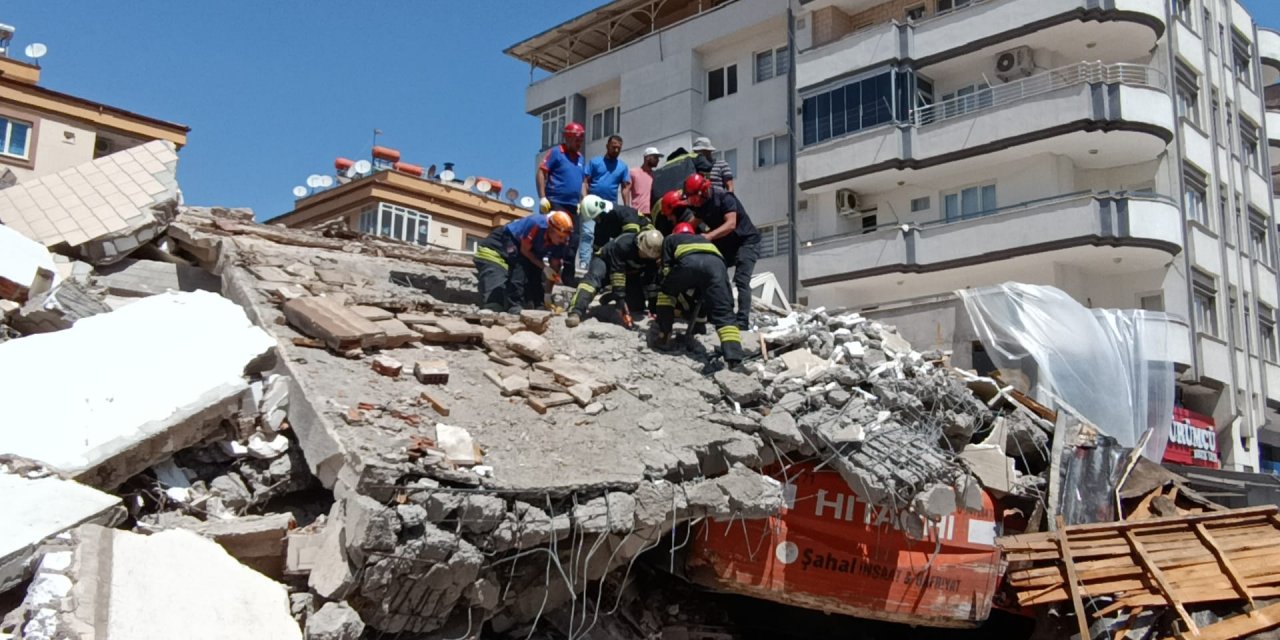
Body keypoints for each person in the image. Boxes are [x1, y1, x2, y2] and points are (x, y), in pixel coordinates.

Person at [654, 222, 744, 366]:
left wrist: (669, 285)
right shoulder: (704, 240)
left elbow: (666, 269)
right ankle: (735, 360)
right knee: (724, 313)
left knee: (666, 294)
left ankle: (664, 337)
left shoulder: (671, 239)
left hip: (688, 263)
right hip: (717, 266)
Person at [682, 173, 760, 329]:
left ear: (702, 192)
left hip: (746, 241)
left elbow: (731, 224)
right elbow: (692, 224)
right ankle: (724, 314)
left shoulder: (725, 198)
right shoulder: (701, 206)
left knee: (741, 280)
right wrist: (680, 235)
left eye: (693, 197)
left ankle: (742, 321)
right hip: (727, 244)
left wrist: (709, 236)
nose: (693, 203)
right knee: (715, 275)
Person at [474, 211, 574, 314]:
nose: (562, 240)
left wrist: (548, 294)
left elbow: (555, 267)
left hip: (532, 249)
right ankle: (515, 305)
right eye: (560, 237)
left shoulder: (563, 242)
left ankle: (539, 305)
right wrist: (544, 267)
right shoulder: (535, 224)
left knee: (536, 273)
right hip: (513, 239)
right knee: (519, 268)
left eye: (565, 237)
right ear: (550, 230)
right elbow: (524, 251)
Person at [566, 229, 663, 328]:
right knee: (591, 283)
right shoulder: (624, 244)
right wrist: (620, 297)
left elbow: (651, 280)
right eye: (645, 254)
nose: (646, 257)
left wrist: (653, 308)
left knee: (636, 306)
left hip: (628, 273)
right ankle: (576, 311)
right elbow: (617, 272)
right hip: (605, 262)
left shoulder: (653, 255)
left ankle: (611, 296)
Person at [536, 122, 586, 285]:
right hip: (556, 202)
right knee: (558, 239)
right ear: (568, 138)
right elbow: (542, 172)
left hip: (573, 205)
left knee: (574, 240)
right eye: (577, 140)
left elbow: (582, 181)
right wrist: (542, 197)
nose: (579, 143)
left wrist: (582, 200)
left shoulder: (580, 158)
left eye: (581, 140)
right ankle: (551, 276)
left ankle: (568, 277)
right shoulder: (556, 153)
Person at [580, 135, 631, 275]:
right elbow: (585, 181)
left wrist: (627, 208)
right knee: (588, 233)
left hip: (609, 207)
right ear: (607, 146)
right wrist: (584, 199)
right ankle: (584, 263)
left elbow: (625, 188)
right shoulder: (595, 162)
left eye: (619, 148)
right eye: (613, 146)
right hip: (591, 203)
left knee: (603, 238)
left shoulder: (622, 167)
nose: (616, 149)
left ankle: (598, 265)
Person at [578, 194, 653, 249]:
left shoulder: (624, 214)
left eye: (594, 217)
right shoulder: (601, 222)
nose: (594, 220)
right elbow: (599, 248)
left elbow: (629, 240)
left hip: (647, 238)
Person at [629, 147, 661, 212]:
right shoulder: (633, 172)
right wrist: (627, 208)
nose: (658, 160)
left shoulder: (656, 175)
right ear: (647, 157)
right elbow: (625, 190)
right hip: (637, 213)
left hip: (653, 214)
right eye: (655, 157)